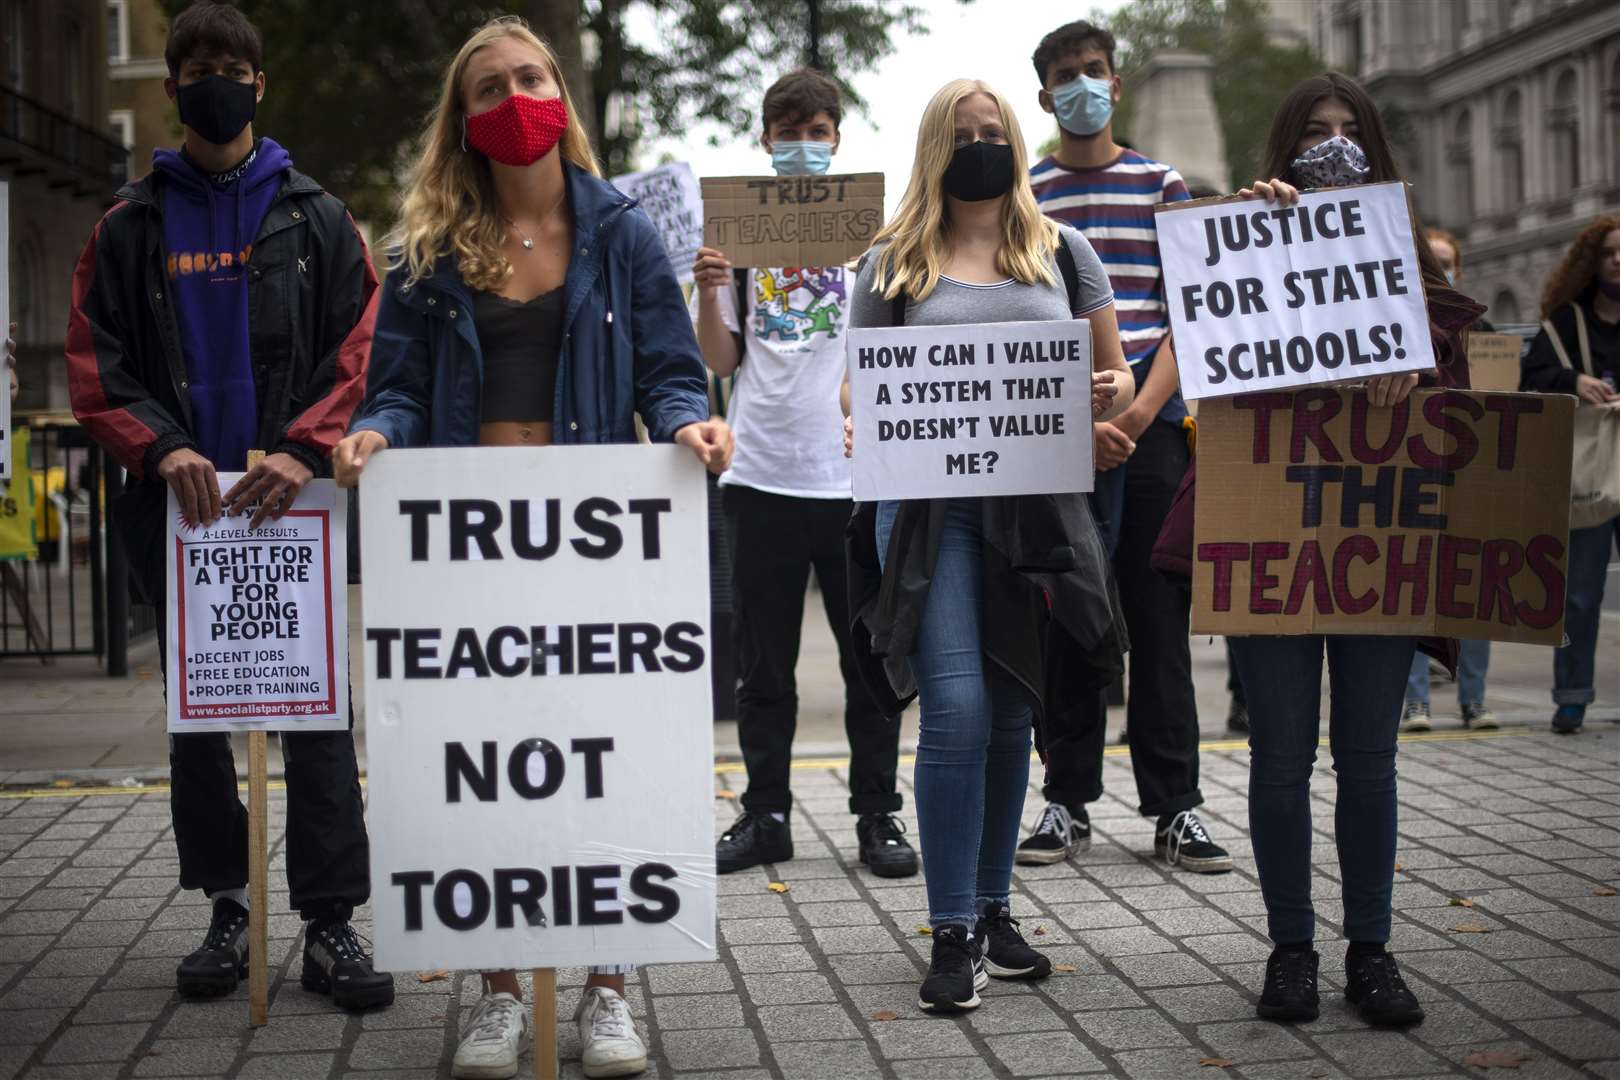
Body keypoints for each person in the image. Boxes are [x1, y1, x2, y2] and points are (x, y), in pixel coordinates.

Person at [332, 18, 731, 1080]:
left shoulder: (626, 234)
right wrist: (378, 432)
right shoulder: (425, 255)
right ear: (463, 122)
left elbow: (669, 369)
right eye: (491, 87)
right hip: (469, 553)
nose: (516, 97)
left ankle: (606, 990)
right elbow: (400, 391)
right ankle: (500, 995)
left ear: (562, 92)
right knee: (483, 765)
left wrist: (690, 422)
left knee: (604, 761)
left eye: (531, 77)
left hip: (592, 550)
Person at [65, 1, 390, 1014]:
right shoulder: (129, 227)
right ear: (172, 89)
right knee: (198, 721)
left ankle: (330, 922)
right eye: (196, 65)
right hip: (182, 521)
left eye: (231, 65)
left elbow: (363, 344)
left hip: (291, 514)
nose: (216, 79)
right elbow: (94, 364)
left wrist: (301, 453)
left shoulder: (317, 217)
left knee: (316, 713)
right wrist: (160, 450)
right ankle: (226, 905)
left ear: (258, 83)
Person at [1175, 71, 1481, 1030]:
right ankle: (1292, 948)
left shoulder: (1418, 283)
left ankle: (1374, 951)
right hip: (1272, 532)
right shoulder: (1250, 244)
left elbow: (1456, 405)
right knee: (1277, 758)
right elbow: (1215, 357)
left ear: (1378, 154)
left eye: (1351, 130)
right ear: (1287, 149)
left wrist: (1412, 363)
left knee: (1369, 757)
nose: (1335, 143)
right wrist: (1252, 235)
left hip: (1376, 537)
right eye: (1316, 130)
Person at [845, 77, 1132, 1014]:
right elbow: (858, 390)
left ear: (1015, 141)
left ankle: (994, 906)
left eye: (994, 131)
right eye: (964, 133)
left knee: (1014, 714)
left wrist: (1103, 403)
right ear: (939, 147)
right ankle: (951, 928)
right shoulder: (892, 261)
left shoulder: (1064, 251)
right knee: (959, 709)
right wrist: (866, 419)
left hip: (1036, 514)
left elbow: (1114, 373)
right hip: (931, 516)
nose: (981, 144)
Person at [691, 69, 916, 880]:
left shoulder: (874, 244)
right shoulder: (741, 245)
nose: (803, 147)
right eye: (789, 132)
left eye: (818, 133)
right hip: (761, 473)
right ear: (764, 141)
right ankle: (766, 813)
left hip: (853, 478)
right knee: (763, 665)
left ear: (838, 141)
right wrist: (709, 290)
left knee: (870, 663)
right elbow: (722, 358)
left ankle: (877, 813)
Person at [1020, 19, 1231, 874]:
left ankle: (1175, 805)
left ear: (1118, 81)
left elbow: (1191, 310)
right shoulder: (1024, 195)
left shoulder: (1163, 182)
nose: (1083, 85)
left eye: (1095, 71)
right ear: (1044, 96)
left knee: (1157, 617)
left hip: (1151, 423)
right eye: (1066, 75)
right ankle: (1065, 801)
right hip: (1055, 426)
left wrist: (1139, 416)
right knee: (1066, 614)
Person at [1521, 215, 1620, 735]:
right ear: (1591, 262)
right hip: (1588, 471)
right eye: (1608, 253)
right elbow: (1529, 378)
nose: (1618, 261)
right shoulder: (1564, 323)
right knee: (1579, 593)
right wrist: (1572, 380)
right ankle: (1573, 698)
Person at [1400, 228, 1497, 733]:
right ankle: (1416, 702)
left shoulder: (1481, 329)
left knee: (1469, 591)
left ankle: (1474, 700)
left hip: (1469, 468)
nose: (1441, 269)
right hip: (1416, 469)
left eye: (1446, 262)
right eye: (1432, 262)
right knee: (1410, 587)